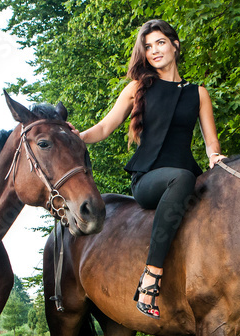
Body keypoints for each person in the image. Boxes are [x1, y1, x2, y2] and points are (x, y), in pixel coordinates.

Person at [77, 19, 226, 318]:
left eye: (160, 42)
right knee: (182, 178)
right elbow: (105, 127)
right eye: (148, 47)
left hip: (187, 179)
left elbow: (211, 141)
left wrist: (215, 157)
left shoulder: (198, 93)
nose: (155, 50)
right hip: (149, 181)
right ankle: (150, 278)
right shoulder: (138, 88)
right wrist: (75, 137)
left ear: (175, 44)